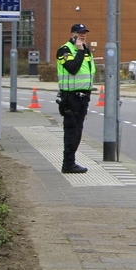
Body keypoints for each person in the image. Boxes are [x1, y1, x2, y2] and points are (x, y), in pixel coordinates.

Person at [56, 23, 95, 174]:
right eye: (79, 33)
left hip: (83, 97)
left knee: (78, 130)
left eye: (84, 33)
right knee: (72, 130)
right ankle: (68, 164)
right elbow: (72, 68)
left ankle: (71, 162)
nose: (82, 35)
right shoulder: (65, 50)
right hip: (71, 97)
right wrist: (79, 51)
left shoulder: (85, 51)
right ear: (72, 34)